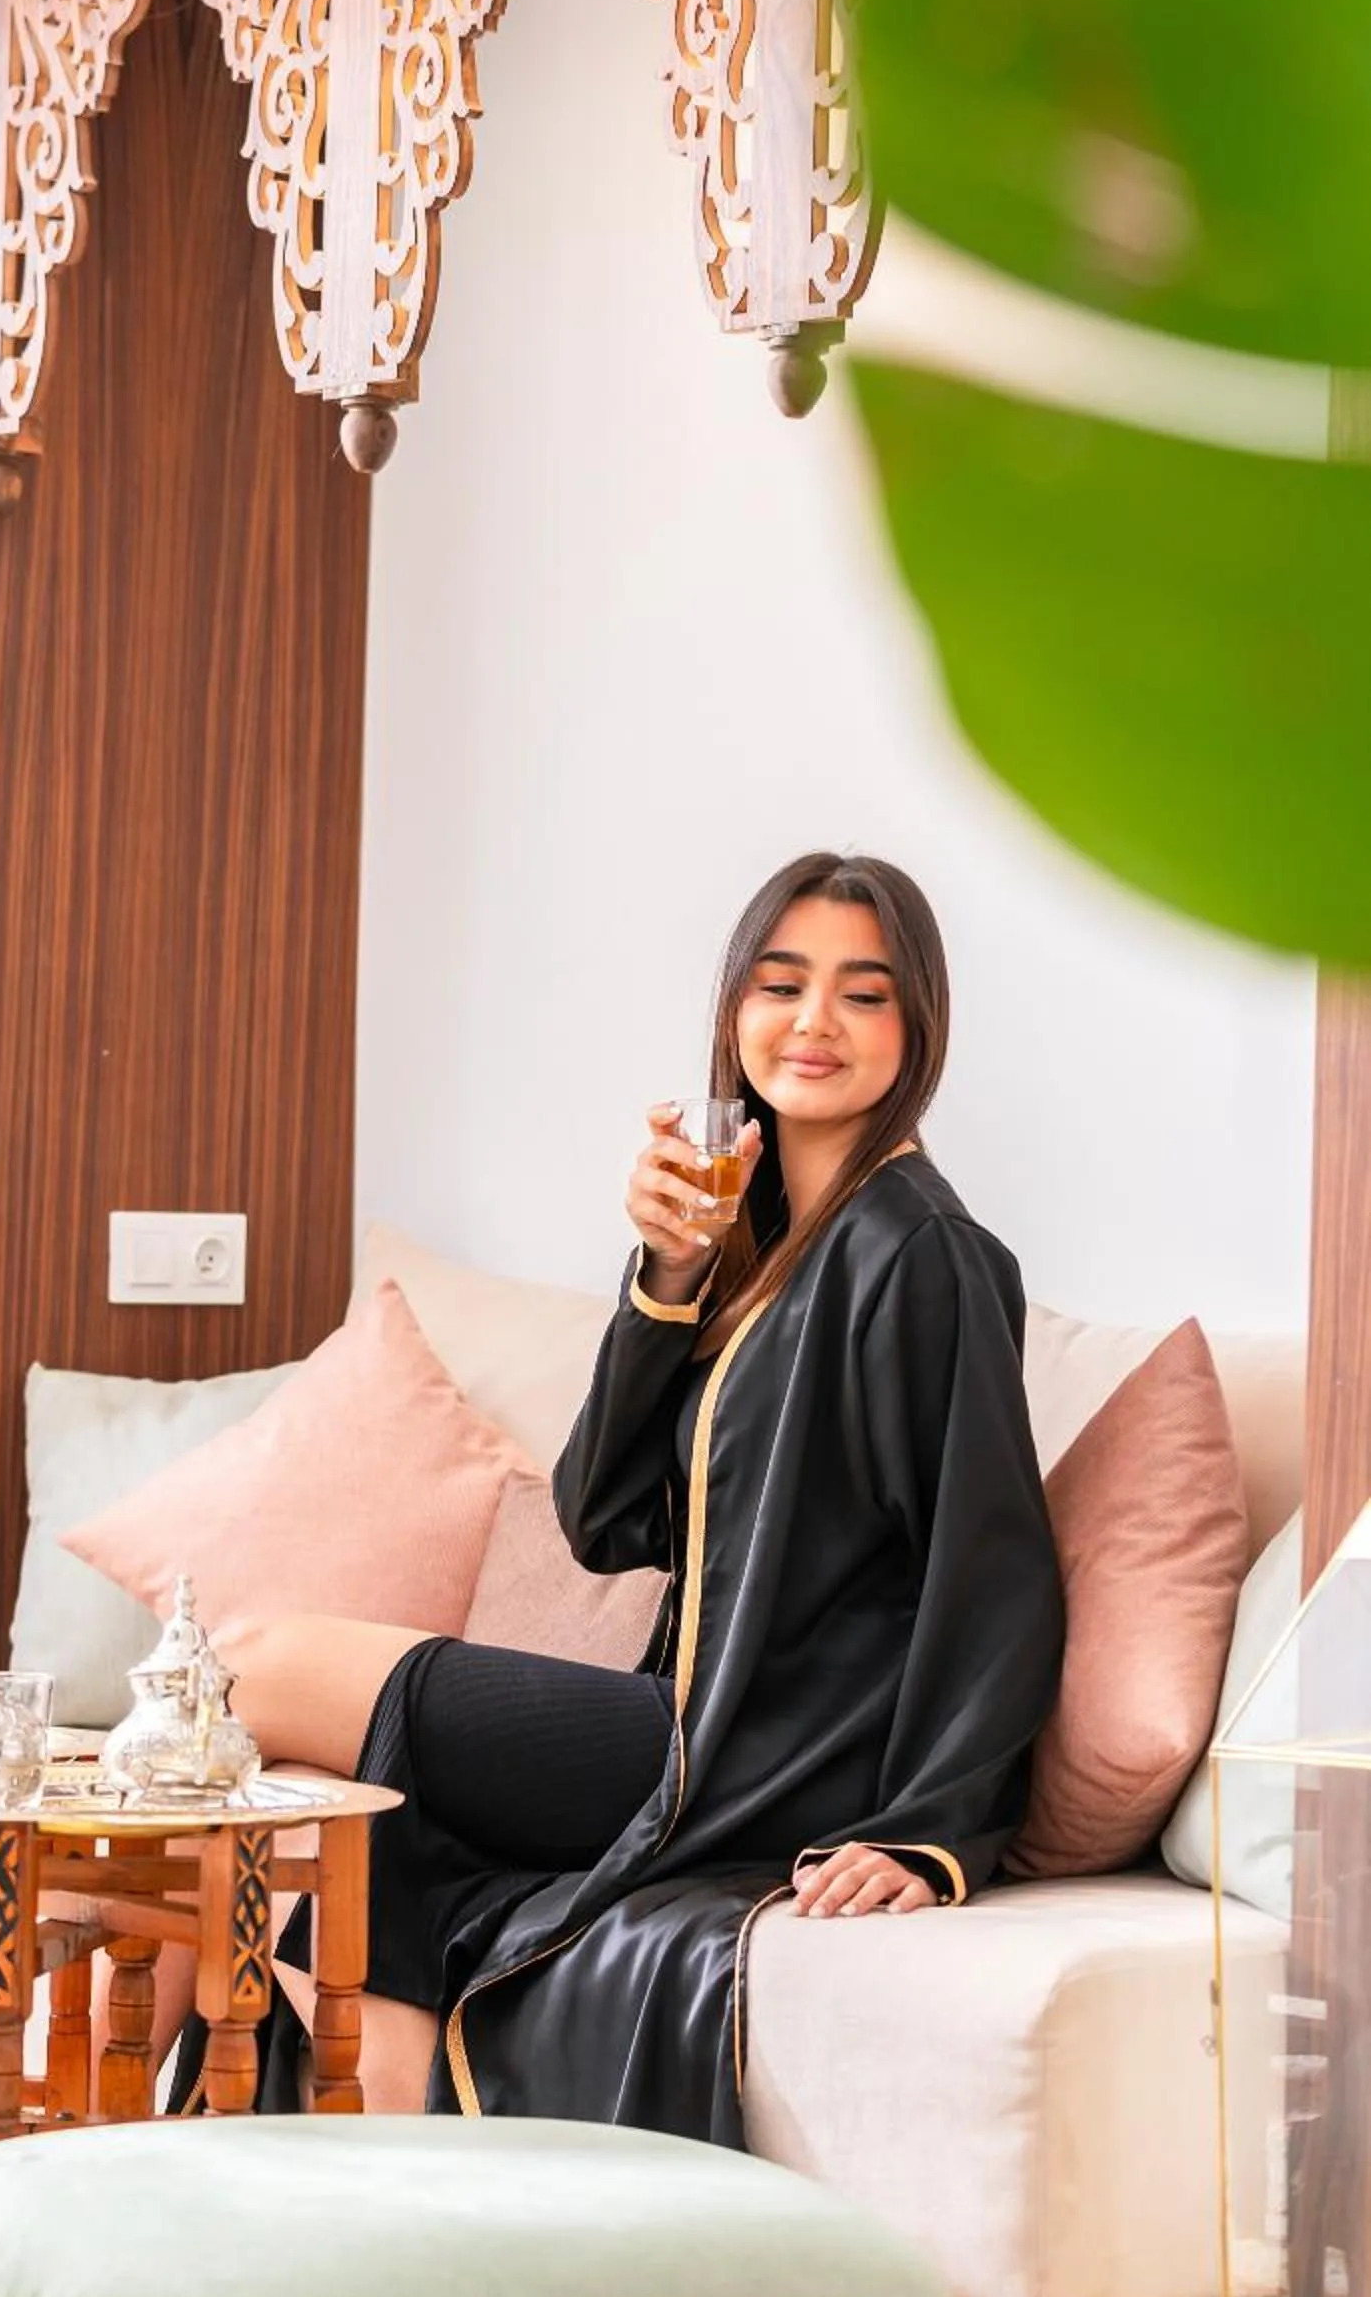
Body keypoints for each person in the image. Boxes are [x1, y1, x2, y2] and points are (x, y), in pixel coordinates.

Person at [182, 849, 1067, 2137]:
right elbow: (602, 1521)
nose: (814, 1022)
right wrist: (667, 1276)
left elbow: (990, 1568)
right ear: (733, 1012)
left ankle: (119, 1969)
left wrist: (932, 1836)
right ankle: (370, 2198)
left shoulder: (923, 1255)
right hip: (698, 1719)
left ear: (917, 1029)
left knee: (252, 1669)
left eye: (863, 996)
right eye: (781, 984)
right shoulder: (757, 1245)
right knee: (389, 1857)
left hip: (765, 1756)